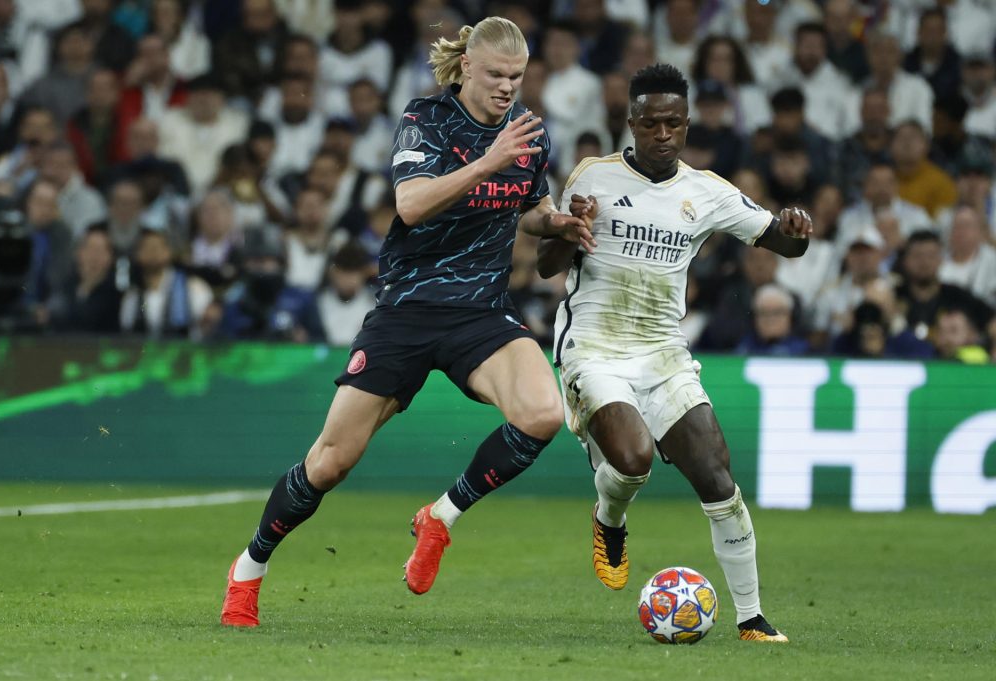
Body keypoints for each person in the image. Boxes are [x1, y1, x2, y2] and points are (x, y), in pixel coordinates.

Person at [220, 16, 595, 628]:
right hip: (407, 309)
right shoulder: (426, 119)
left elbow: (530, 209)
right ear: (468, 67)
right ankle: (248, 570)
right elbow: (411, 205)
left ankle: (440, 517)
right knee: (330, 463)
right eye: (497, 75)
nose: (507, 88)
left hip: (480, 311)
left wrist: (559, 222)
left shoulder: (528, 133)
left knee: (543, 414)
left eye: (518, 77)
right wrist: (488, 160)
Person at [537, 64, 812, 643]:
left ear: (686, 126)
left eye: (675, 123)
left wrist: (797, 231)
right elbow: (546, 266)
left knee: (717, 475)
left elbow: (780, 244)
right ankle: (609, 519)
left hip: (662, 351)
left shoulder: (705, 191)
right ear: (631, 123)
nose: (664, 133)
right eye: (652, 122)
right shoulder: (594, 177)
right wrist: (570, 232)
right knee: (633, 459)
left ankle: (752, 618)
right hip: (595, 345)